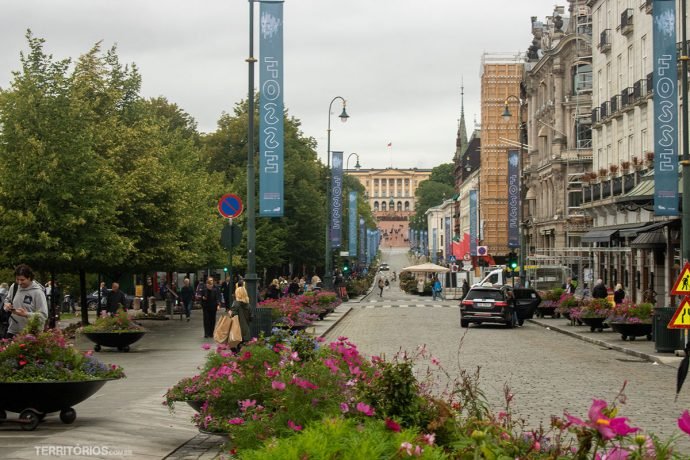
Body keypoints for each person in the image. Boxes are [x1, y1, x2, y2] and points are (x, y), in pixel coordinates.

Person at [3, 264, 48, 339]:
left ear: (29, 278)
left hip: (31, 334)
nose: (19, 282)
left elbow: (43, 316)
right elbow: (7, 300)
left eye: (22, 280)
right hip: (12, 331)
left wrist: (25, 314)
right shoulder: (14, 287)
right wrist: (7, 305)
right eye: (17, 279)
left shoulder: (38, 292)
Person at [229, 280, 252, 349]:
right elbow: (251, 318)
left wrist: (230, 313)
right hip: (246, 331)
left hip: (237, 331)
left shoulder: (236, 304)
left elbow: (233, 316)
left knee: (234, 349)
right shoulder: (248, 305)